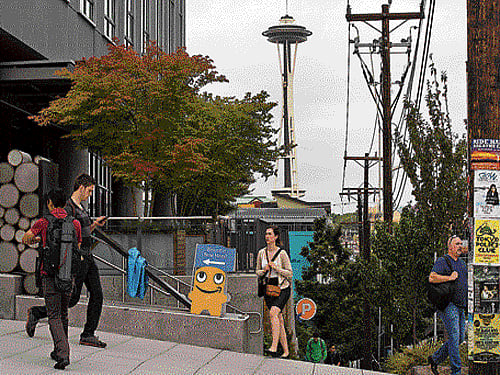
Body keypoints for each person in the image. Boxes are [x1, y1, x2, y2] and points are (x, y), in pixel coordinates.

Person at [26, 174, 108, 348]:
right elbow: (64, 234)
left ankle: (88, 334)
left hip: (87, 255)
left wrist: (94, 225)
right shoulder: (68, 208)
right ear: (82, 187)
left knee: (97, 294)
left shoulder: (81, 207)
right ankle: (37, 312)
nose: (90, 194)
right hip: (76, 258)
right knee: (70, 299)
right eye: (90, 191)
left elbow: (81, 231)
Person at [23, 189, 82, 370]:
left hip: (49, 274)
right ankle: (58, 351)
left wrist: (38, 239)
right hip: (68, 275)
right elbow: (77, 247)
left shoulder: (44, 222)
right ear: (64, 203)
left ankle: (63, 354)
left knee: (54, 315)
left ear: (49, 202)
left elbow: (26, 238)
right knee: (63, 313)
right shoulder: (75, 223)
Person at [428, 235, 468, 375]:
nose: (460, 246)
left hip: (461, 306)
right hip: (449, 305)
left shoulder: (462, 264)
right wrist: (449, 277)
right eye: (457, 244)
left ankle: (435, 358)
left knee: (459, 339)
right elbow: (432, 277)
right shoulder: (443, 261)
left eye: (461, 244)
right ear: (450, 247)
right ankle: (456, 371)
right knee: (454, 337)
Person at [256, 226, 293, 358]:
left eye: (270, 234)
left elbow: (290, 273)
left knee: (273, 313)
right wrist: (264, 270)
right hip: (268, 289)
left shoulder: (282, 253)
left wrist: (277, 268)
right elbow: (257, 272)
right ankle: (286, 351)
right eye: (266, 234)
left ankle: (273, 346)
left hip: (282, 288)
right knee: (279, 320)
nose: (267, 236)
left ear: (276, 237)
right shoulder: (261, 253)